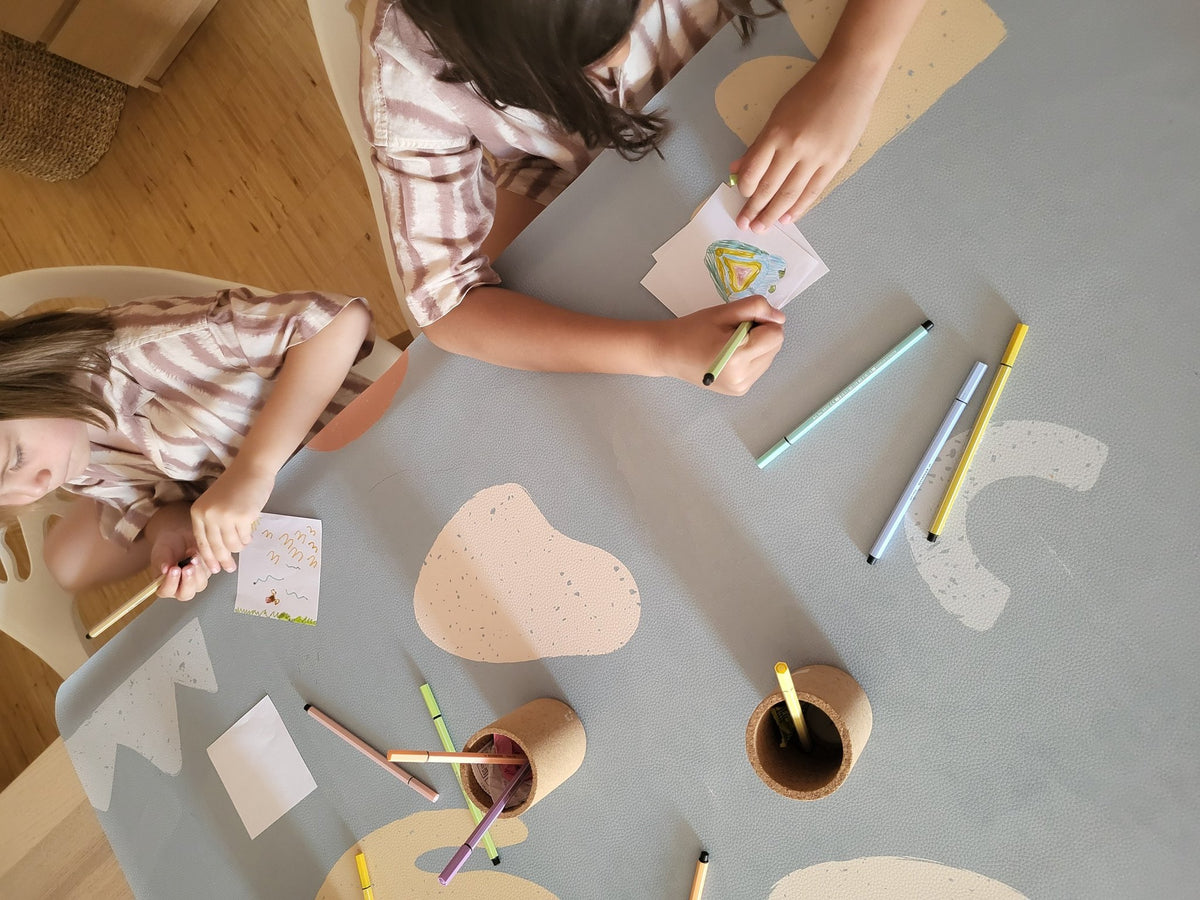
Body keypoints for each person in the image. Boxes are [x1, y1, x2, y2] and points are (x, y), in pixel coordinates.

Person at [362, 0, 926, 395]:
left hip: (763, 65)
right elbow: (447, 305)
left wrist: (854, 68)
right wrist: (657, 351)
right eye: (581, 60)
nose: (615, 59)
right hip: (589, 170)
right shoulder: (408, 73)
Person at [0, 289, 373, 601]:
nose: (35, 487)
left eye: (15, 457)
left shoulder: (146, 349)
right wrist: (170, 530)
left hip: (361, 443)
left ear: (18, 375)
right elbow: (142, 499)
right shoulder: (66, 453)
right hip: (301, 511)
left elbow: (341, 322)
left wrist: (254, 468)